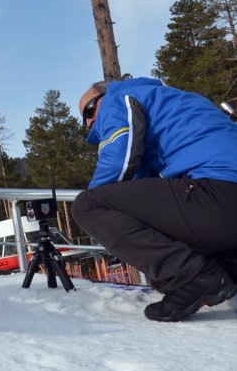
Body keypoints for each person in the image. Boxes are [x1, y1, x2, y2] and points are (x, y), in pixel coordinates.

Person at [71, 77, 237, 322]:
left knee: (87, 205)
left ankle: (192, 277)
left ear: (104, 96)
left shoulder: (120, 99)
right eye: (83, 119)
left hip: (216, 191)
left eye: (89, 109)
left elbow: (119, 161)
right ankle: (227, 267)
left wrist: (95, 202)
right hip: (222, 199)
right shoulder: (172, 102)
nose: (89, 121)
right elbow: (143, 190)